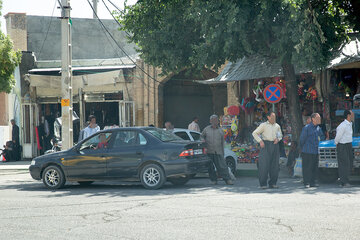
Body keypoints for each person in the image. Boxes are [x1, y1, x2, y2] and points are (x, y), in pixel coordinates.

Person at [252, 111, 282, 189]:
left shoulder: (277, 126)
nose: (274, 118)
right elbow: (254, 133)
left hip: (275, 145)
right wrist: (260, 141)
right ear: (268, 117)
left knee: (275, 165)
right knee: (264, 165)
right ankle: (263, 184)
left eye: (274, 117)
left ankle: (273, 183)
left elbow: (280, 135)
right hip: (265, 145)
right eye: (272, 117)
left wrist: (278, 139)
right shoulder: (263, 125)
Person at [201, 114, 233, 185]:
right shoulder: (206, 129)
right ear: (210, 121)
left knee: (222, 166)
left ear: (218, 121)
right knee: (210, 167)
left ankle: (227, 179)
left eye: (215, 120)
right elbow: (201, 136)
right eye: (212, 120)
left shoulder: (221, 131)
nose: (214, 121)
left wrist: (223, 153)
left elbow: (222, 142)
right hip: (209, 151)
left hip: (218, 151)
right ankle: (213, 180)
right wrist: (203, 140)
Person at [299, 113, 324, 188]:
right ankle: (306, 182)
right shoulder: (307, 128)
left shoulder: (318, 128)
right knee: (307, 167)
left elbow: (322, 137)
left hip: (315, 151)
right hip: (307, 150)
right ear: (313, 119)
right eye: (318, 118)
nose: (319, 119)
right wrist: (301, 148)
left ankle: (313, 182)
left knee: (314, 167)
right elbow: (302, 139)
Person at [335, 110, 354, 187]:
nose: (353, 116)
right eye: (352, 114)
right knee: (344, 164)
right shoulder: (342, 125)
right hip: (342, 145)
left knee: (349, 163)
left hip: (348, 145)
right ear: (348, 115)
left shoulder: (350, 124)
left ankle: (346, 180)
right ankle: (343, 182)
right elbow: (338, 137)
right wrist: (337, 144)